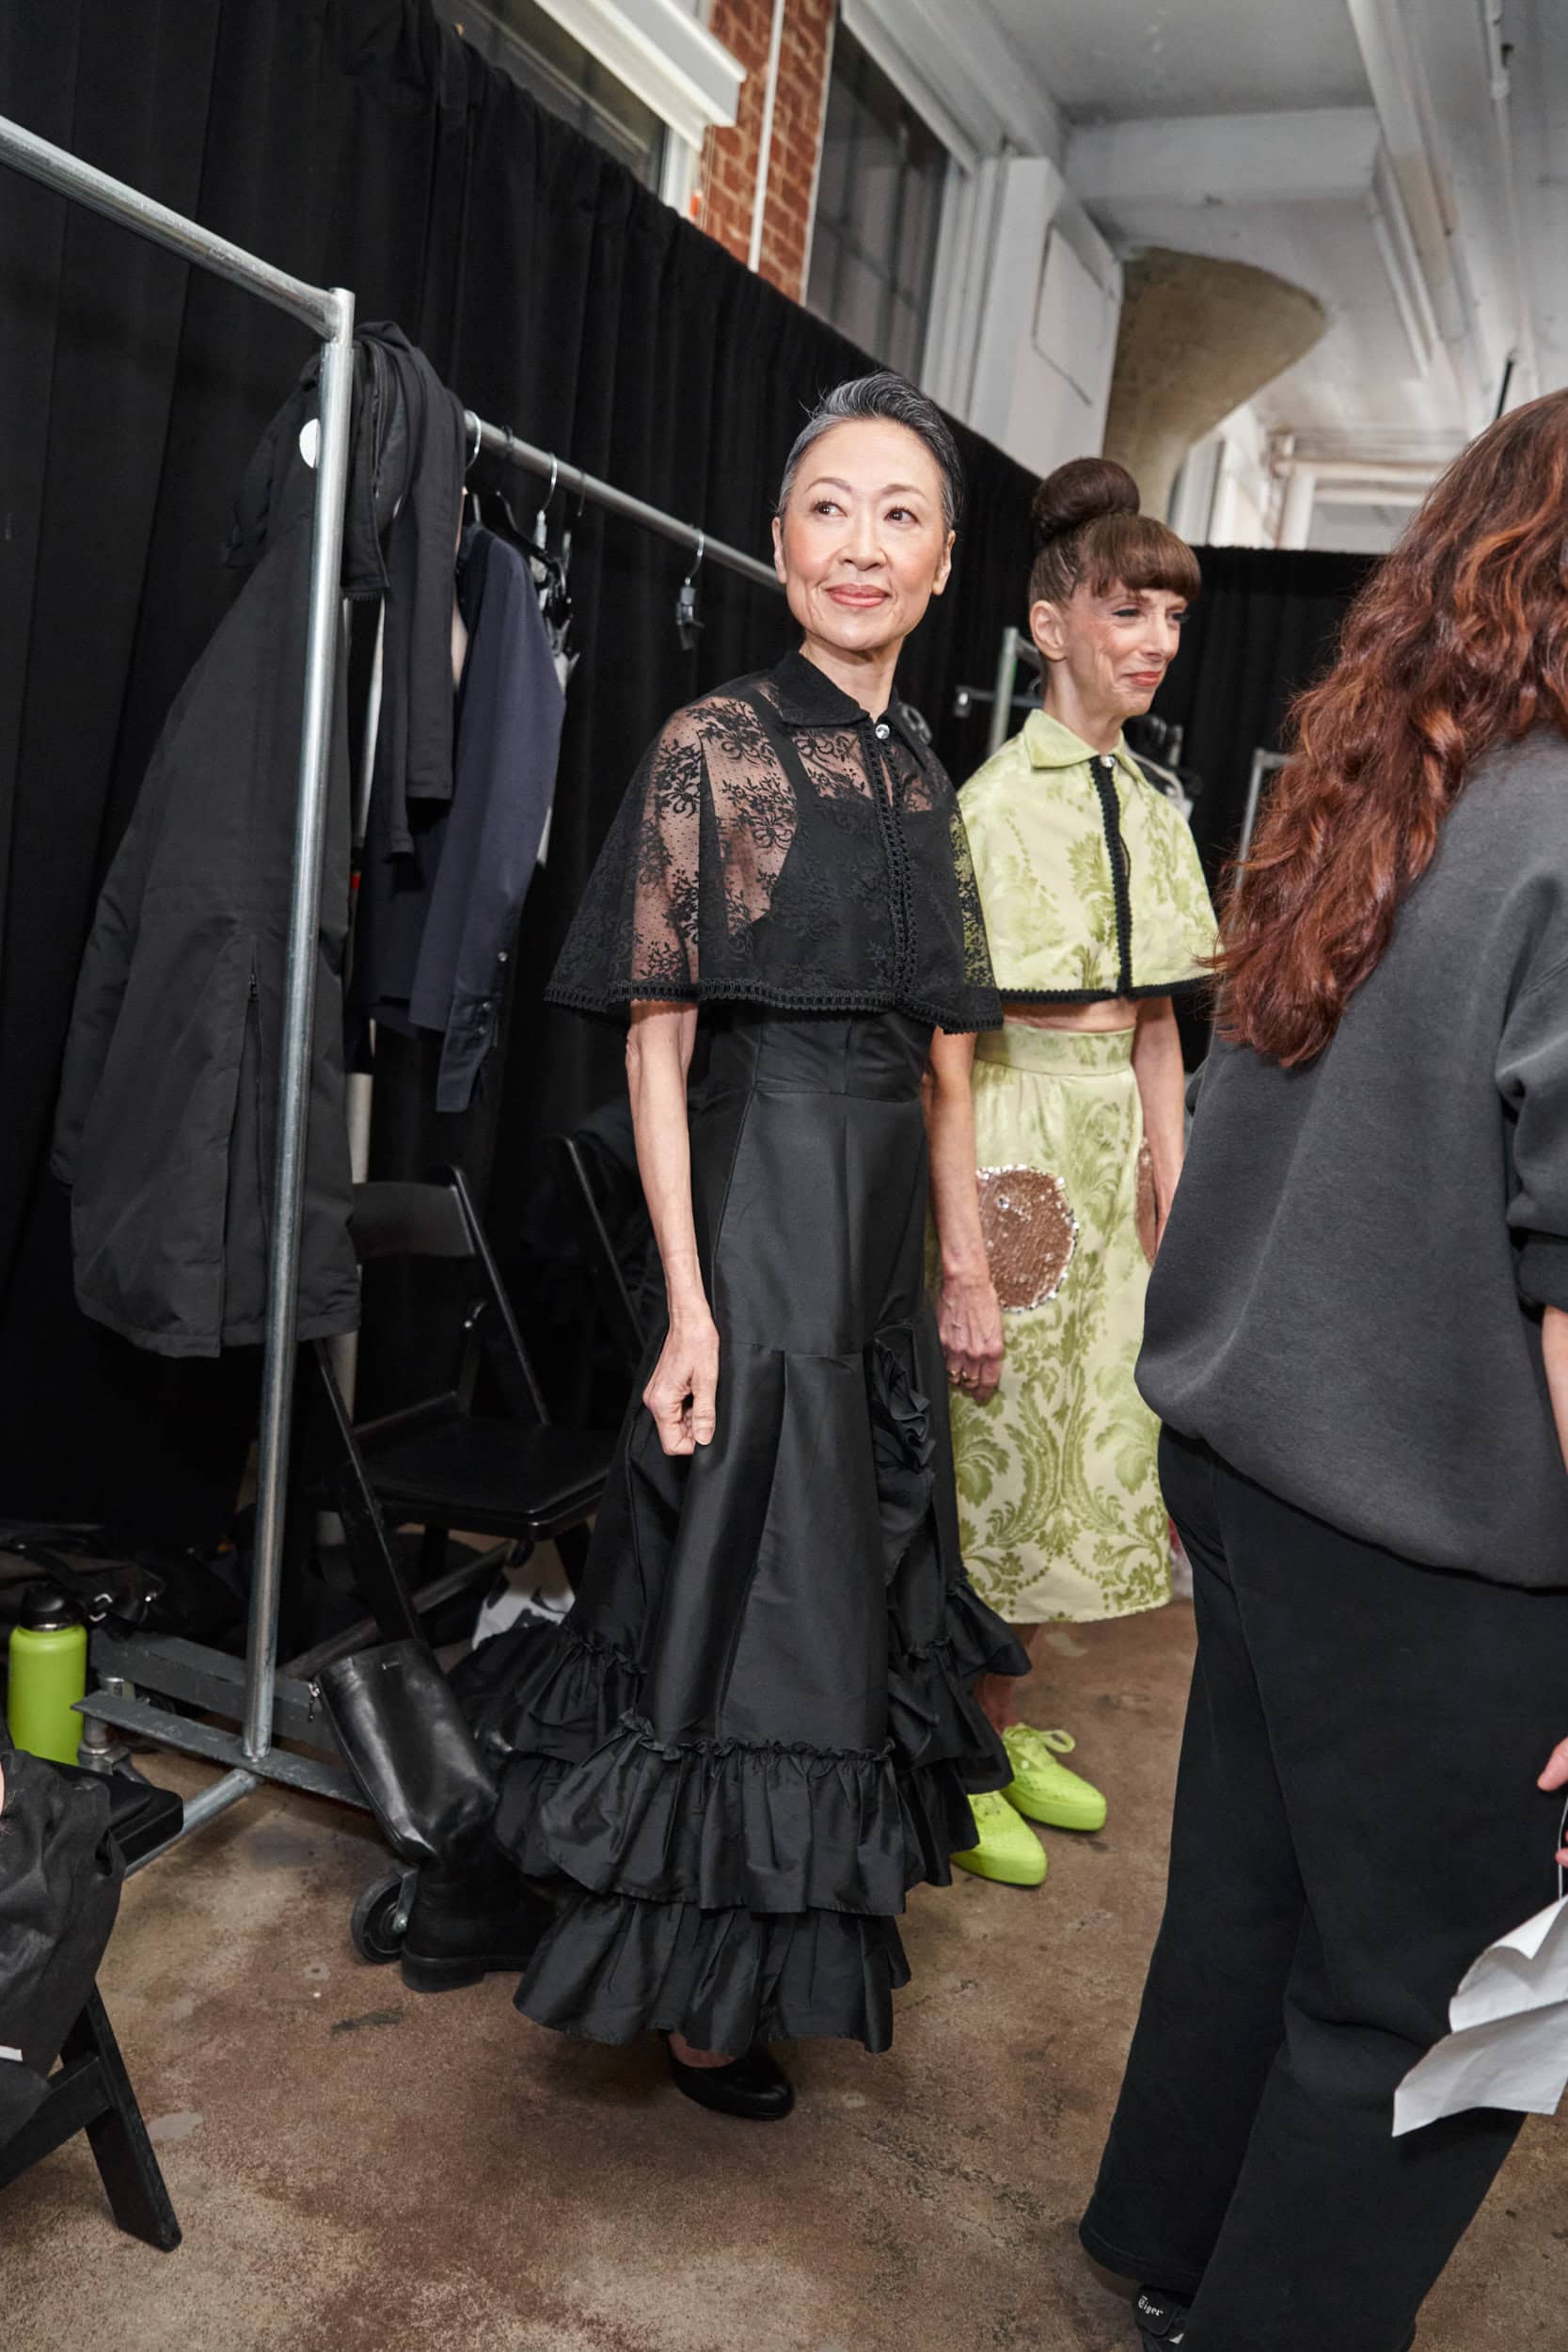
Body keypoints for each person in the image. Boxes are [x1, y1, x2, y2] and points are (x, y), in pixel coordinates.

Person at [460, 373, 1026, 2121]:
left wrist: (962, 1267)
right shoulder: (718, 745)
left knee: (845, 1590)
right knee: (747, 1597)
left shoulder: (924, 772)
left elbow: (947, 1062)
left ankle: (751, 1965)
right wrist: (690, 1310)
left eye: (900, 516)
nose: (862, 544)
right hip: (759, 1214)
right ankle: (697, 1999)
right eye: (830, 509)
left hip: (873, 1253)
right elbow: (656, 1045)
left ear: (944, 565)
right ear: (780, 544)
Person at [1080, 389, 1568, 2352]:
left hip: (1257, 1472)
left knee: (1251, 1903)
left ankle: (1167, 2250)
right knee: (1425, 2009)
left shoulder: (1377, 791)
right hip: (1429, 1539)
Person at [925, 460, 1212, 1890]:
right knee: (994, 1451)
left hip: (1116, 1164)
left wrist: (1179, 1181)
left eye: (1172, 616)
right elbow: (944, 1053)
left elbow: (1159, 1019)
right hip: (1015, 1137)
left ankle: (1001, 1715)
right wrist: (963, 1256)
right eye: (1126, 610)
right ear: (1051, 626)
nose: (1155, 641)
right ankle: (950, 1753)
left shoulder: (1154, 805)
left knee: (1081, 1455)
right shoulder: (989, 806)